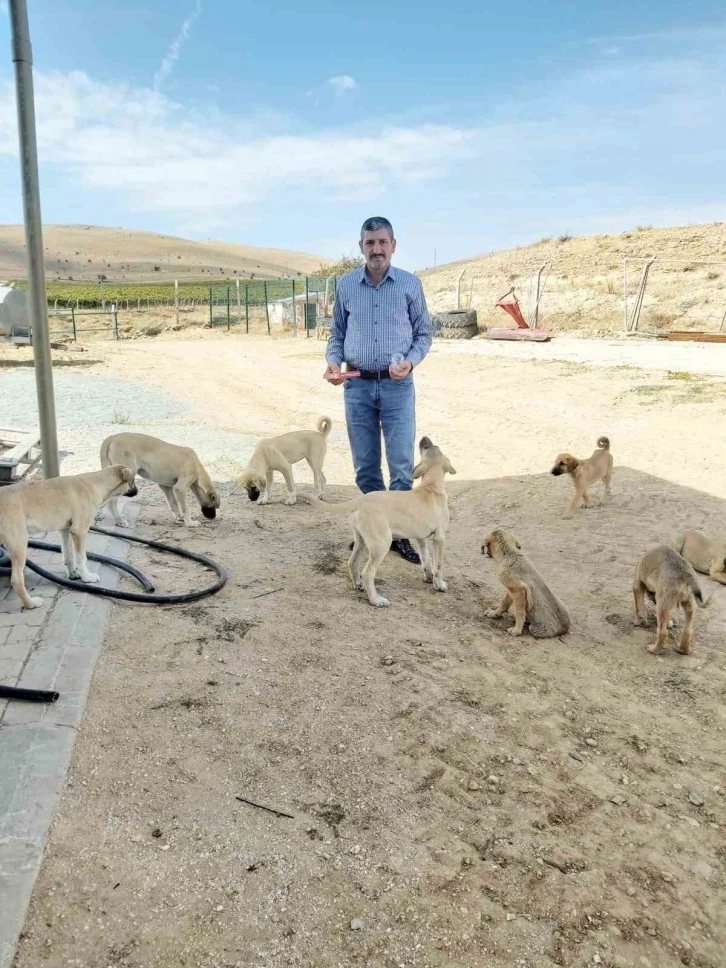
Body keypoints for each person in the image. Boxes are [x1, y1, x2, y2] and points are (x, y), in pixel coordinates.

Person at [324, 216, 433, 563]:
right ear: (361, 247)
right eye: (370, 243)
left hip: (398, 388)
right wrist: (332, 363)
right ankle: (375, 526)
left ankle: (398, 534)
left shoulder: (409, 284)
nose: (377, 249)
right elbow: (337, 334)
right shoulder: (345, 285)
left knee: (401, 465)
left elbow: (424, 334)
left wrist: (411, 362)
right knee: (366, 467)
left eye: (383, 242)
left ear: (393, 245)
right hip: (356, 387)